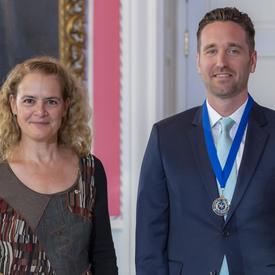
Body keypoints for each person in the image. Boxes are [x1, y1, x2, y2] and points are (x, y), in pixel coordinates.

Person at [136, 7, 275, 275]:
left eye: (233, 50)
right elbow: (149, 240)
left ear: (253, 60)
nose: (221, 61)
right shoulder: (166, 138)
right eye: (211, 50)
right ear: (198, 61)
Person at [0, 56, 118, 274]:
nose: (40, 111)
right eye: (29, 100)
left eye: (51, 101)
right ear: (12, 105)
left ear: (66, 107)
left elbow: (103, 255)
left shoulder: (90, 171)